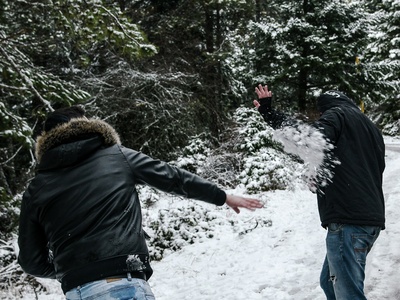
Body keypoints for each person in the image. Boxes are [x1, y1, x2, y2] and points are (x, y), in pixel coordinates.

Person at [17, 106, 264, 300]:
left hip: (76, 290)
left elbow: (31, 261)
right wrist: (223, 196)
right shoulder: (117, 156)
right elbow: (173, 178)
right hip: (123, 280)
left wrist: (70, 269)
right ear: (86, 126)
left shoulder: (37, 187)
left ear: (47, 141)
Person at [253, 85, 385, 300]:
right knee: (329, 283)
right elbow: (357, 167)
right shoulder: (371, 128)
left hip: (349, 220)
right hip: (369, 220)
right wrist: (322, 176)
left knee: (348, 294)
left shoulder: (337, 115)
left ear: (325, 109)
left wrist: (269, 113)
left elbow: (310, 140)